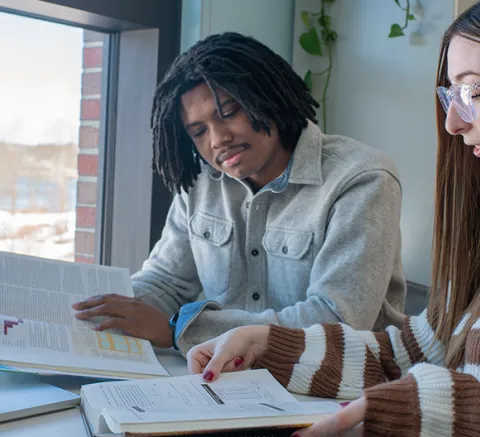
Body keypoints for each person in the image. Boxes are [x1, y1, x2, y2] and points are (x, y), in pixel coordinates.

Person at [186, 6, 480, 437]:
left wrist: (179, 324)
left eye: (476, 90)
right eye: (453, 95)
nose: (452, 123)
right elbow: (409, 352)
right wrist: (268, 344)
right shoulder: (199, 187)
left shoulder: (360, 176)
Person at [72, 32, 405, 353]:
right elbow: (165, 280)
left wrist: (179, 331)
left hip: (339, 389)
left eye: (229, 113)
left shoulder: (362, 178)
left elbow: (337, 320)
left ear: (266, 98)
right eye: (199, 131)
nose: (218, 139)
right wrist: (98, 314)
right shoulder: (201, 184)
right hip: (229, 380)